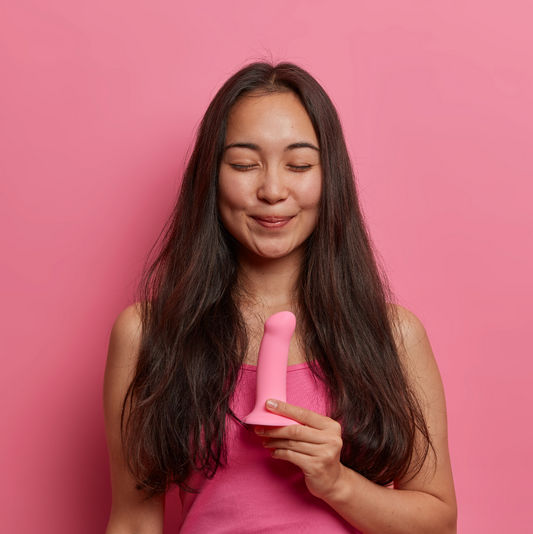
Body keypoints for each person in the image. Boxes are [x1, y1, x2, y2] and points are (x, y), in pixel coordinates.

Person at [104, 61, 457, 533]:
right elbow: (133, 520)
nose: (272, 190)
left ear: (329, 178)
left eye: (299, 165)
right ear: (212, 176)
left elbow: (438, 524)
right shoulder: (148, 334)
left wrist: (337, 483)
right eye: (245, 164)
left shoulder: (394, 336)